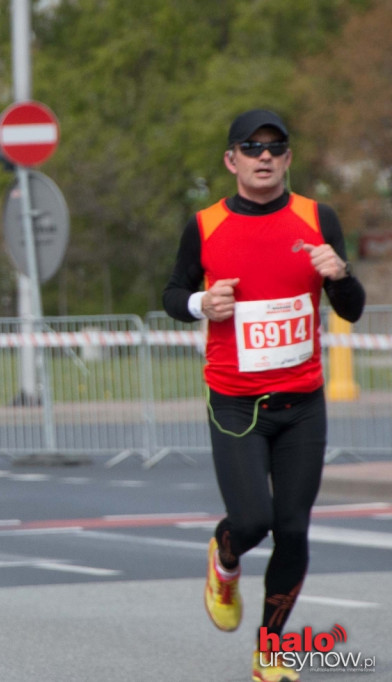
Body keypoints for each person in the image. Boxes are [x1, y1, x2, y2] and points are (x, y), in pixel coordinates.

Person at [162, 109, 366, 682]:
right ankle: (225, 558)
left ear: (288, 159)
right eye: (252, 148)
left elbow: (350, 307)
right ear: (232, 160)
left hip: (303, 402)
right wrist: (203, 304)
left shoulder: (316, 218)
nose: (264, 157)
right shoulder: (205, 226)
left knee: (294, 529)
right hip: (235, 403)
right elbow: (173, 293)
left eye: (275, 148)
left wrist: (340, 274)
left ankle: (271, 653)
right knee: (253, 520)